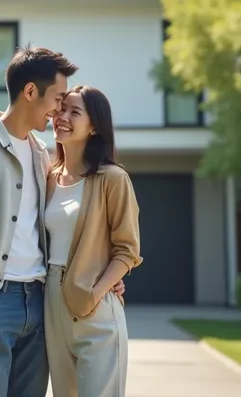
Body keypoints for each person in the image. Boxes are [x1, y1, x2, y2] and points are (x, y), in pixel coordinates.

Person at [0, 46, 125, 397]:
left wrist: (107, 274)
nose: (58, 112)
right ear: (30, 92)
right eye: (57, 99)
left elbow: (62, 226)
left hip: (40, 305)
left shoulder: (44, 156)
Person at [44, 85, 142, 397]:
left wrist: (96, 292)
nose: (63, 117)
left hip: (95, 310)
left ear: (95, 126)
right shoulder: (47, 176)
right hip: (50, 303)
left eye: (75, 112)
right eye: (62, 109)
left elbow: (127, 250)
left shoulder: (112, 178)